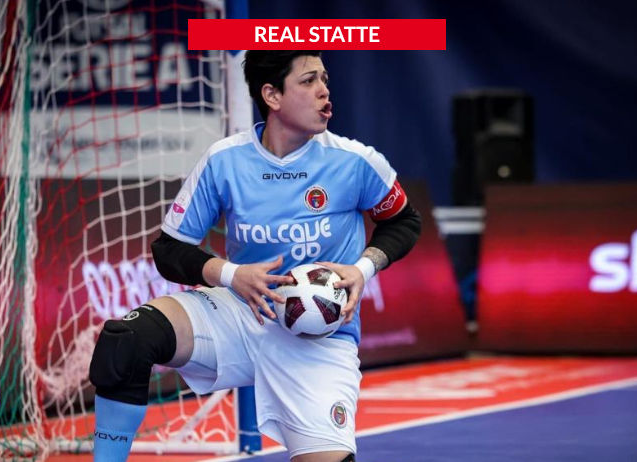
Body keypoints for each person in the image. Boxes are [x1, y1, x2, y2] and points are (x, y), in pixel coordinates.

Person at [88, 50, 421, 461]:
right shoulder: (225, 159)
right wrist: (232, 275)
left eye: (325, 79)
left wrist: (362, 269)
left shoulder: (356, 161)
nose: (324, 91)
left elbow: (405, 221)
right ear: (272, 95)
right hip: (243, 312)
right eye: (309, 81)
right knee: (127, 341)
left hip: (319, 339)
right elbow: (168, 249)